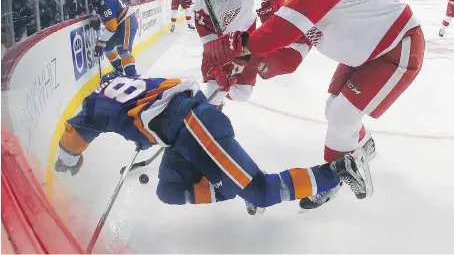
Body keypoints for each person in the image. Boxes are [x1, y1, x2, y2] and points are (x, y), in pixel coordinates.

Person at [201, 0, 425, 206]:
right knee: (335, 110)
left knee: (343, 114)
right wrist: (249, 63)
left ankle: (332, 179)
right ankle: (361, 144)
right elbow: (289, 57)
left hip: (396, 46)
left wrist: (237, 44)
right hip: (368, 53)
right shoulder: (308, 0)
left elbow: (280, 30)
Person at [54, 72, 371, 213]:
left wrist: (67, 162)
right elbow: (175, 90)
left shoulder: (93, 106)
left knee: (261, 192)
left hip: (195, 129)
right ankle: (234, 186)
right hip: (185, 133)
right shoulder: (131, 84)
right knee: (169, 191)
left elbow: (73, 136)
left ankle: (339, 169)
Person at [194, 0, 311, 108]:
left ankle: (225, 93)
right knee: (214, 90)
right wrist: (218, 69)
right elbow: (209, 44)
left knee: (242, 94)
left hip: (248, 41)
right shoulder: (200, 4)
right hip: (222, 45)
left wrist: (273, 5)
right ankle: (211, 111)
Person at [90, 0, 138, 76]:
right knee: (108, 47)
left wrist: (100, 43)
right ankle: (119, 70)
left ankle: (133, 77)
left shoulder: (106, 2)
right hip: (119, 23)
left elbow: (111, 27)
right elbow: (100, 12)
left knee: (124, 51)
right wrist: (96, 17)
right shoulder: (99, 0)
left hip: (127, 20)